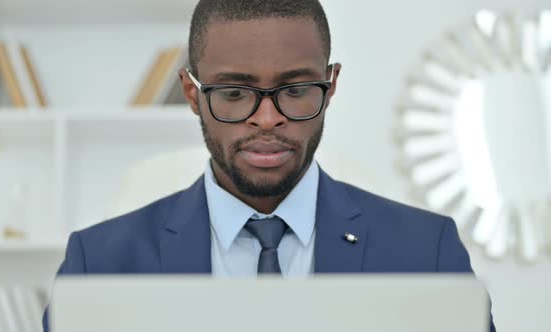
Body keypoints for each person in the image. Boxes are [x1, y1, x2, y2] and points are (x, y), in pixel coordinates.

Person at [43, 0, 495, 331]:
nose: (266, 118)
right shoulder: (98, 264)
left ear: (331, 85)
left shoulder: (427, 253)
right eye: (234, 93)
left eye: (295, 90)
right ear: (191, 93)